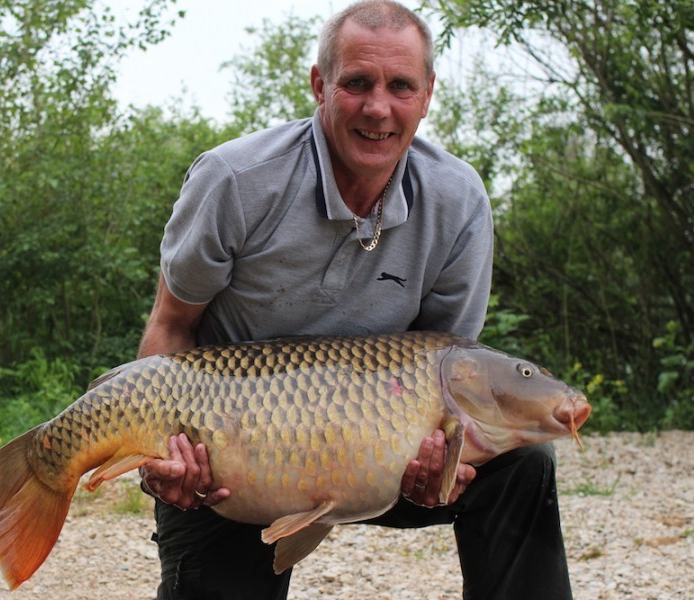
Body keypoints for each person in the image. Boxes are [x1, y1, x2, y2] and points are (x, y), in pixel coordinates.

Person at [137, 1, 573, 598]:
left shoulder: (458, 201)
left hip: (377, 463)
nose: (378, 108)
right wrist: (165, 456)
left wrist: (440, 464)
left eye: (401, 86)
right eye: (357, 83)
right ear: (320, 85)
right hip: (233, 461)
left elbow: (443, 365)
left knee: (523, 467)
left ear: (427, 95)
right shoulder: (236, 180)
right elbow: (170, 326)